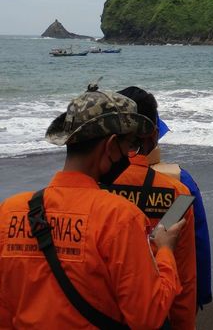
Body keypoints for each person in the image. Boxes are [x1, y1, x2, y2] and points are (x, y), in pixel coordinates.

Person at [0, 85, 184, 328]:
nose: (130, 155)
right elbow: (147, 317)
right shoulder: (120, 217)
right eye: (129, 146)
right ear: (109, 146)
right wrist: (165, 252)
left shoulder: (10, 212)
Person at [101, 86, 197, 328]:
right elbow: (183, 275)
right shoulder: (178, 194)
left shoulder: (90, 185)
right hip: (155, 312)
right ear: (153, 134)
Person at [117, 86, 213, 310]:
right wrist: (200, 294)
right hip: (163, 302)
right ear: (153, 135)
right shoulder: (180, 184)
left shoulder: (92, 181)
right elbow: (195, 246)